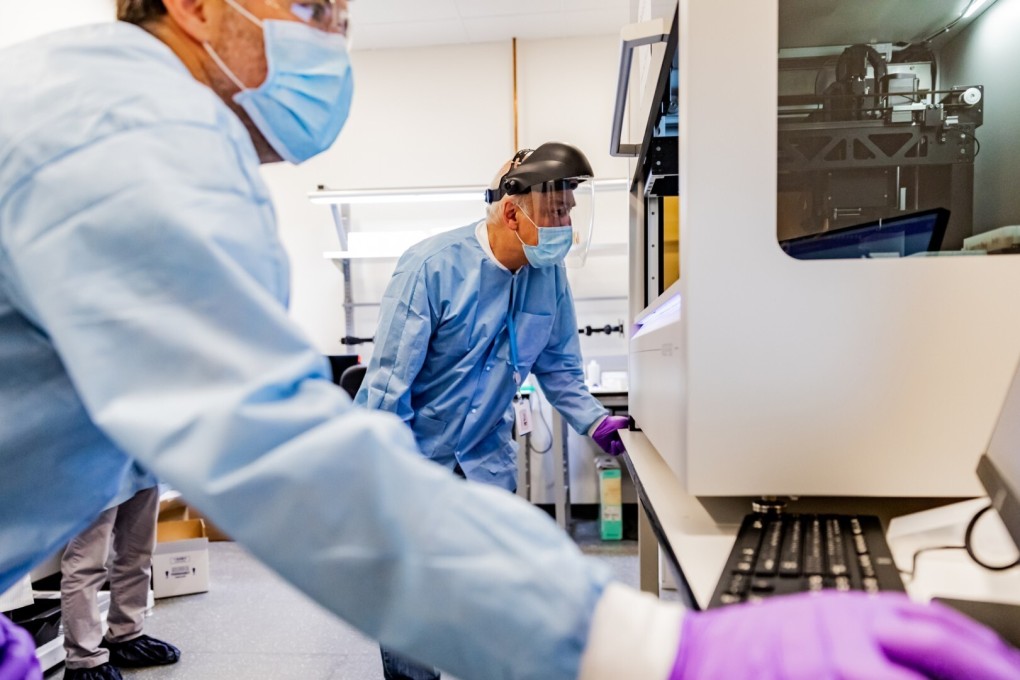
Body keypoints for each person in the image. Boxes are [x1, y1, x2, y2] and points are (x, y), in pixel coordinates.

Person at [0, 1, 1017, 679]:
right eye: (313, 9)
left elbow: (564, 371)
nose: (330, 46)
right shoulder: (126, 128)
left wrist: (611, 429)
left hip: (480, 452)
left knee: (490, 583)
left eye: (343, 20)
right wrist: (649, 643)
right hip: (411, 447)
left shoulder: (544, 273)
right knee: (422, 621)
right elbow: (292, 436)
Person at [354, 141, 630, 679]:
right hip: (417, 466)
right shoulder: (429, 268)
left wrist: (600, 423)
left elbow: (561, 371)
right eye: (557, 211)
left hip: (486, 467)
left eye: (571, 211)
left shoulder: (548, 277)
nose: (566, 224)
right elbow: (387, 390)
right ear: (512, 211)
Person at [60, 480, 180, 680]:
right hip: (97, 466)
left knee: (138, 551)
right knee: (86, 560)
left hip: (140, 466)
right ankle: (83, 658)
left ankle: (126, 634)